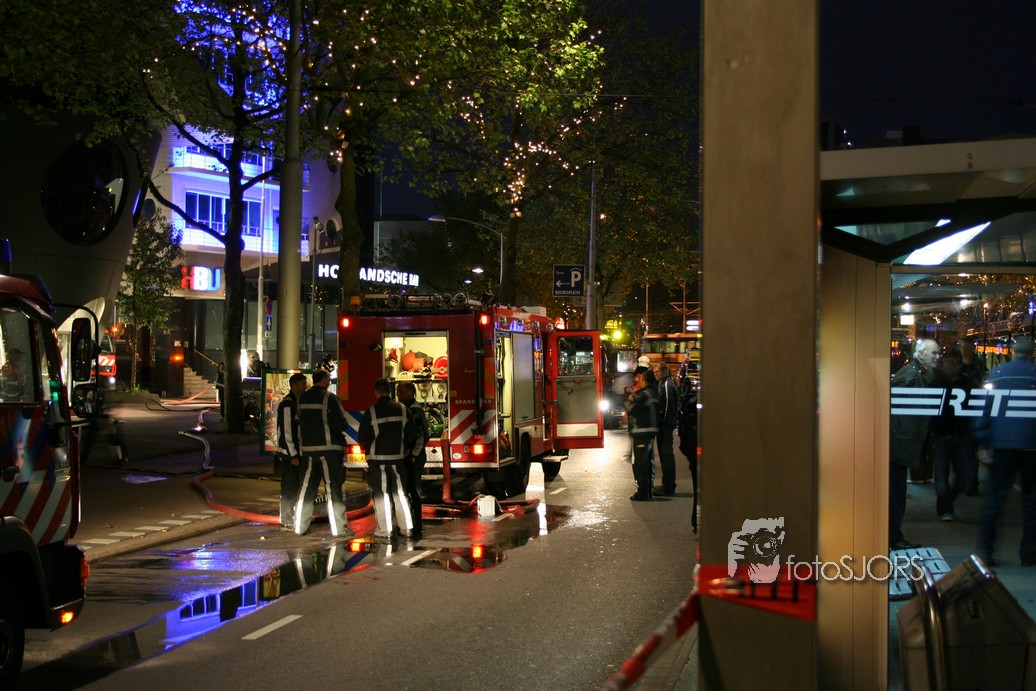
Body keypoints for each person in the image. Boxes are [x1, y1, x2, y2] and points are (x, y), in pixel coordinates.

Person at [973, 336, 1036, 566]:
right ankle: (1029, 552)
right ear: (1031, 353)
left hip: (1001, 444)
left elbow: (986, 408)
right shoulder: (1034, 375)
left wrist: (982, 440)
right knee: (1032, 502)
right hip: (1031, 445)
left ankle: (985, 551)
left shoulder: (998, 374)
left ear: (1013, 351)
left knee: (994, 500)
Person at [889, 338, 938, 550]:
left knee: (897, 495)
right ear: (922, 354)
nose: (938, 357)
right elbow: (896, 414)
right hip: (899, 447)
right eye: (934, 353)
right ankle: (893, 538)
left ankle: (893, 536)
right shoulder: (910, 378)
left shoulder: (916, 375)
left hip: (901, 446)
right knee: (896, 496)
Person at [295, 369, 353, 537]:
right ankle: (339, 529)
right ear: (324, 380)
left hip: (308, 451)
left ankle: (300, 527)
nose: (329, 382)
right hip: (329, 451)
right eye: (328, 379)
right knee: (333, 489)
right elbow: (341, 423)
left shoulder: (301, 398)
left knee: (306, 490)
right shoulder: (330, 398)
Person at [359, 377, 416, 539]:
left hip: (377, 461)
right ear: (390, 391)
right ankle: (407, 528)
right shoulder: (404, 410)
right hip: (398, 459)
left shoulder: (371, 411)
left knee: (381, 494)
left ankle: (385, 530)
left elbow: (362, 438)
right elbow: (412, 435)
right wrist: (405, 451)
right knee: (400, 493)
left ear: (376, 392)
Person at [930, 349, 975, 521]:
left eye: (954, 363)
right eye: (948, 362)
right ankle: (945, 508)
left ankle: (946, 502)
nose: (951, 366)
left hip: (961, 435)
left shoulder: (966, 383)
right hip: (942, 434)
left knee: (962, 474)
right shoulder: (937, 383)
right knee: (941, 474)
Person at [277, 373, 308, 531]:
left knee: (296, 486)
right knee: (289, 487)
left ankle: (293, 517)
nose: (305, 387)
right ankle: (286, 519)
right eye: (303, 384)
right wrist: (293, 455)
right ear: (295, 386)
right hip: (290, 456)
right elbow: (287, 431)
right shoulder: (287, 405)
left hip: (297, 454)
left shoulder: (296, 403)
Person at [396, 380, 427, 537]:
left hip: (415, 457)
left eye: (401, 392)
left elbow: (421, 435)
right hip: (411, 455)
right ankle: (412, 522)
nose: (398, 395)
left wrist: (413, 455)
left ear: (410, 393)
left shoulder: (414, 410)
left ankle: (417, 524)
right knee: (409, 489)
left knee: (414, 490)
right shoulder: (408, 408)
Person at [625, 366, 658, 501]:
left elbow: (632, 410)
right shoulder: (654, 393)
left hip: (641, 432)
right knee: (648, 462)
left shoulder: (642, 394)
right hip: (650, 432)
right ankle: (649, 489)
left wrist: (630, 400)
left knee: (639, 463)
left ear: (644, 380)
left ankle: (642, 491)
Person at [959, 338, 988, 496]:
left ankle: (970, 483)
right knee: (967, 451)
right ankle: (968, 482)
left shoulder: (976, 364)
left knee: (969, 450)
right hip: (964, 410)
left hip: (971, 409)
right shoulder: (969, 363)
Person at [653, 362, 680, 496]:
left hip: (666, 425)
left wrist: (663, 421)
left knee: (666, 455)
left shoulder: (667, 384)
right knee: (665, 455)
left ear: (664, 371)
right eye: (654, 372)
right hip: (666, 424)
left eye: (657, 372)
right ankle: (667, 484)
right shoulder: (665, 383)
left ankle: (668, 486)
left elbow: (668, 405)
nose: (656, 374)